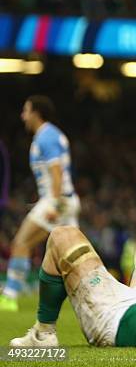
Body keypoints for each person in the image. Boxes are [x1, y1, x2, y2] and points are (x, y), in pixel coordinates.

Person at [0, 96, 80, 312]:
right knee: (74, 256)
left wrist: (53, 204)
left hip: (58, 201)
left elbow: (56, 172)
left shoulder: (46, 137)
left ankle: (9, 296)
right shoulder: (50, 134)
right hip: (64, 199)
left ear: (36, 112)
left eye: (25, 110)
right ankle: (96, 293)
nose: (22, 116)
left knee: (21, 242)